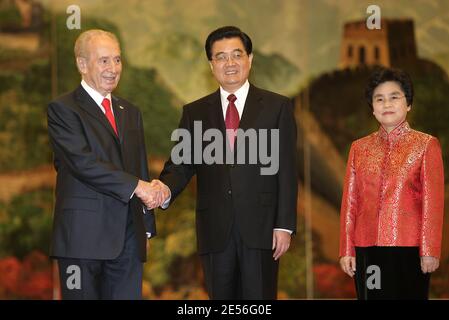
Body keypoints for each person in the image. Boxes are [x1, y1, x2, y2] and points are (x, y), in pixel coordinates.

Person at [154, 26, 298, 299]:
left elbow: (288, 170)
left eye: (236, 55)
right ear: (211, 65)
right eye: (220, 57)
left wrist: (284, 225)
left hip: (262, 229)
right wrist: (163, 189)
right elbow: (181, 165)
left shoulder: (277, 107)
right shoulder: (194, 112)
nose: (229, 63)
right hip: (214, 230)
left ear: (249, 59)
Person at [47, 29, 168, 299]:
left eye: (117, 60)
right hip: (82, 240)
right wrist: (139, 187)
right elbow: (83, 162)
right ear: (81, 64)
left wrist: (146, 228)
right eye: (104, 60)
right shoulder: (63, 109)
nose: (113, 68)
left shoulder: (130, 112)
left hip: (128, 239)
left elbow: (139, 167)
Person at [339, 67, 444, 299]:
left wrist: (429, 250)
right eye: (379, 99)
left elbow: (433, 204)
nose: (387, 104)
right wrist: (347, 249)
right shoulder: (359, 148)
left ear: (408, 104)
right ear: (373, 108)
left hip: (409, 250)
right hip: (366, 249)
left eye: (394, 97)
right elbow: (350, 203)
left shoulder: (425, 145)